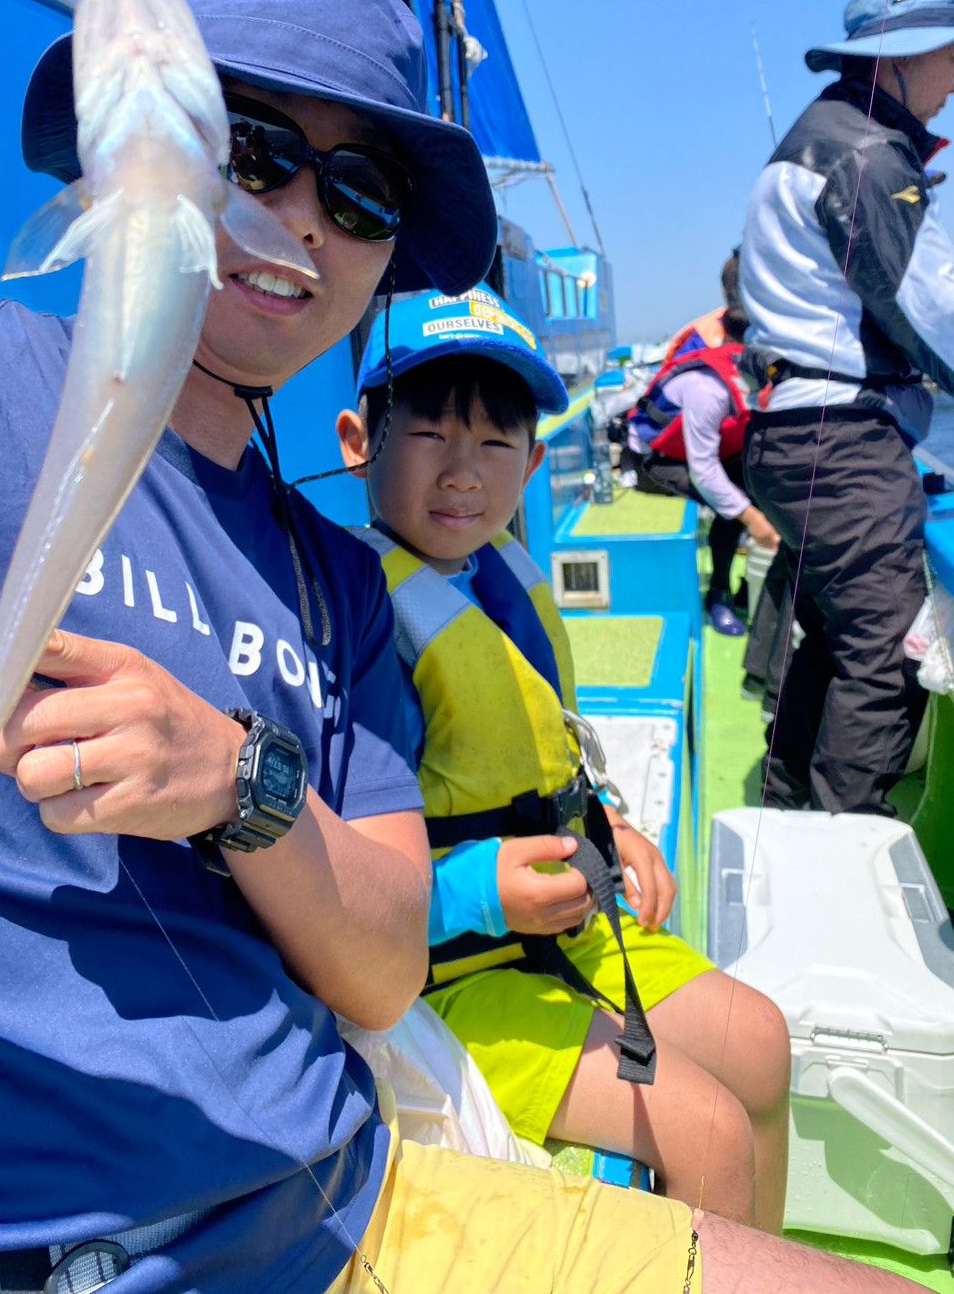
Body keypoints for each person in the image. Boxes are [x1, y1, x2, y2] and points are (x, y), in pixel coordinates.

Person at [0, 0, 926, 1294]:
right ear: (126, 148)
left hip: (347, 1200)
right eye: (246, 151)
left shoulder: (336, 581)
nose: (302, 216)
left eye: (358, 194)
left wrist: (240, 780)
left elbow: (377, 970)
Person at [336, 285, 792, 1231]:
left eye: (495, 442)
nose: (463, 472)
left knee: (760, 1039)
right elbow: (334, 875)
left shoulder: (495, 581)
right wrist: (480, 892)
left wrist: (609, 825)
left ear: (535, 461)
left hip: (565, 929)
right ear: (357, 441)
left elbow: (540, 757)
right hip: (443, 980)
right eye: (428, 434)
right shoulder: (358, 624)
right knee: (706, 1130)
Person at [740, 0, 954, 816]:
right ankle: (843, 842)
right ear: (904, 57)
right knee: (888, 648)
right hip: (841, 439)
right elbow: (931, 317)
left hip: (799, 435)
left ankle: (786, 808)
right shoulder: (864, 153)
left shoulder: (827, 133)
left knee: (836, 637)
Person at [623, 300, 780, 636]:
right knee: (731, 504)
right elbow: (704, 472)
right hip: (654, 462)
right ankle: (718, 594)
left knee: (761, 484)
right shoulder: (707, 388)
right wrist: (753, 519)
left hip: (704, 452)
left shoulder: (754, 375)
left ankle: (751, 586)